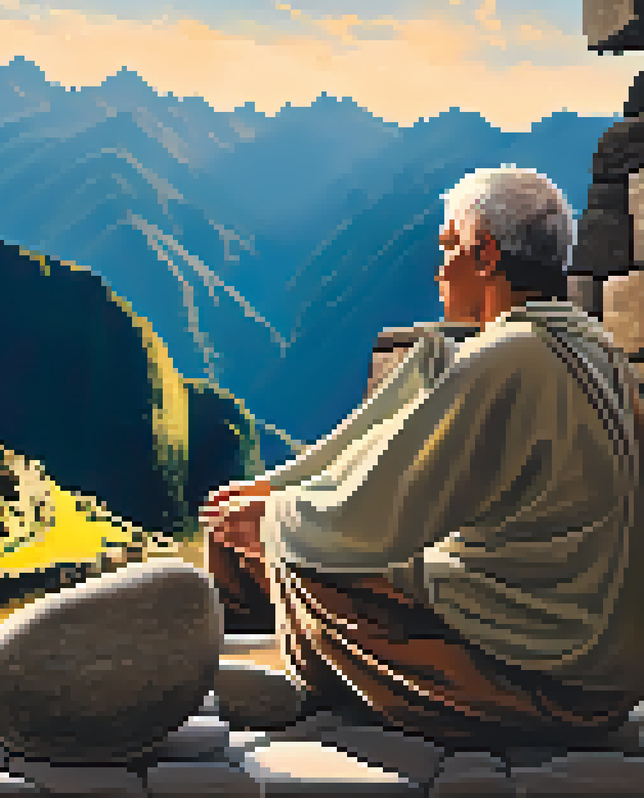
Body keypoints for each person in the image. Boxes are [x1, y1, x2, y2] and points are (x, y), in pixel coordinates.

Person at [202, 166, 644, 750]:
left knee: (304, 570)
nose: (439, 272)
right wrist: (281, 501)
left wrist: (274, 521)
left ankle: (281, 676)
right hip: (601, 666)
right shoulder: (596, 349)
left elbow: (375, 517)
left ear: (484, 255)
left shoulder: (507, 359)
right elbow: (375, 470)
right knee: (286, 538)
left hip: (548, 685)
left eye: (448, 249)